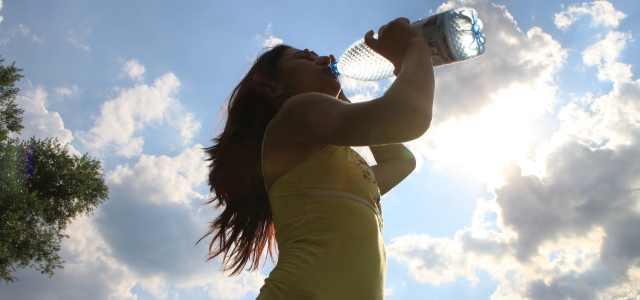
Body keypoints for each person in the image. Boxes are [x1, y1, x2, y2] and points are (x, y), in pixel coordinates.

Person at [199, 17, 435, 299]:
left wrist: (344, 97)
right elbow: (408, 119)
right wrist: (413, 45)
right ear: (274, 87)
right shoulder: (295, 113)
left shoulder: (338, 169)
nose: (325, 58)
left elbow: (402, 161)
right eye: (305, 58)